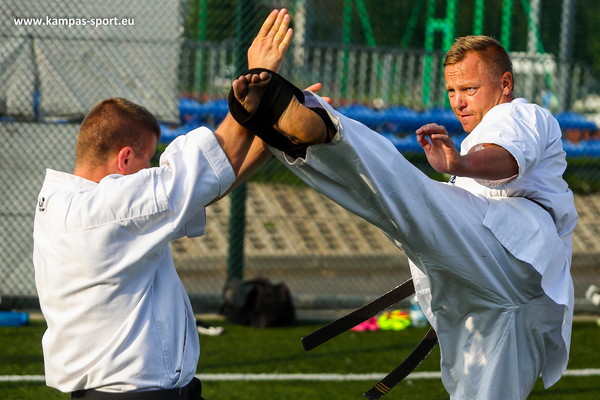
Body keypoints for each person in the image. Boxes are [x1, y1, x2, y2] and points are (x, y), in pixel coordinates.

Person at [229, 35, 578, 399]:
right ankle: (308, 135)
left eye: (469, 88)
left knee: (407, 195)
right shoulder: (480, 141)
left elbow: (505, 157)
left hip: (516, 255)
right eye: (451, 90)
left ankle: (323, 131)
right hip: (499, 299)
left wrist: (460, 163)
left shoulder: (522, 115)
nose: (458, 101)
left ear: (505, 83)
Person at [32, 9, 295, 399]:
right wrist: (260, 82)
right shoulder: (104, 211)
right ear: (125, 158)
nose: (152, 170)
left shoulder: (66, 203)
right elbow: (199, 170)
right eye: (148, 160)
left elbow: (201, 186)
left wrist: (273, 138)